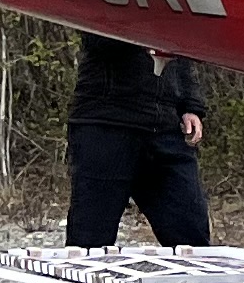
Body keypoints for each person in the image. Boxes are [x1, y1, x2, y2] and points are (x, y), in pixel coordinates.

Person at [64, 33, 208, 246]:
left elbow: (181, 51)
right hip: (106, 125)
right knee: (90, 241)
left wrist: (190, 105)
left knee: (192, 238)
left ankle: (193, 280)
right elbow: (98, 39)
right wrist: (146, 29)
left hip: (166, 128)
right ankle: (78, 280)